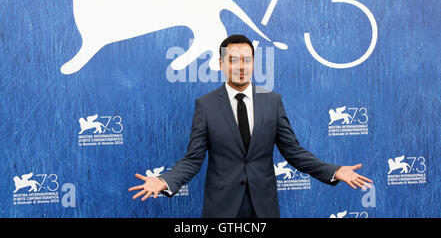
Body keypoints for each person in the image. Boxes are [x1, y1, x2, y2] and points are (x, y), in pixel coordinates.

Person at [129, 34, 373, 218]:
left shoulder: (272, 102)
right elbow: (193, 159)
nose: (241, 66)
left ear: (254, 63)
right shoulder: (205, 106)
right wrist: (164, 181)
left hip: (263, 207)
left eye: (246, 60)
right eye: (233, 60)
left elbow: (294, 153)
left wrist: (333, 170)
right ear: (221, 64)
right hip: (221, 208)